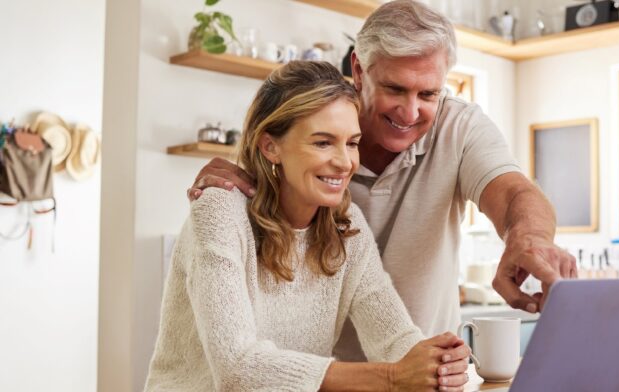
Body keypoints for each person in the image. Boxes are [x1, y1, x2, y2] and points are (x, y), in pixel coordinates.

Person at [189, 0, 577, 361]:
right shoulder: (307, 141)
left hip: (410, 371)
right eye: (395, 88)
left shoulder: (459, 128)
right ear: (359, 70)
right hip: (314, 377)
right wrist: (236, 187)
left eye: (428, 93)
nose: (410, 112)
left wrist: (529, 239)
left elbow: (513, 193)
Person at [145, 61, 470, 391]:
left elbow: (394, 338)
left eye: (352, 143)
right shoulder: (221, 211)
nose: (344, 162)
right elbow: (238, 369)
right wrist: (392, 377)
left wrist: (435, 363)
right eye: (322, 142)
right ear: (270, 146)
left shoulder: (346, 227)